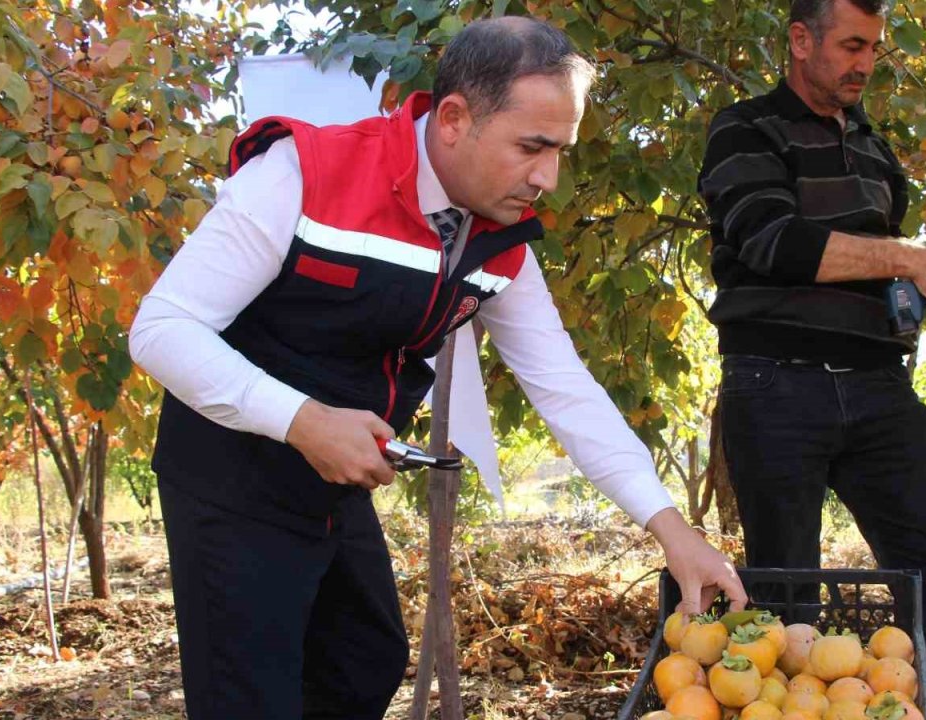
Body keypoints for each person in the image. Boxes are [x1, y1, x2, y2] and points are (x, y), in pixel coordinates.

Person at [130, 16, 745, 720]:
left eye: (560, 151)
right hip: (229, 478)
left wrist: (672, 531)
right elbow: (162, 329)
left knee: (364, 657)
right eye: (531, 147)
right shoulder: (305, 174)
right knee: (254, 696)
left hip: (330, 483)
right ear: (453, 118)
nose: (547, 177)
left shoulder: (501, 241)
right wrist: (301, 421)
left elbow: (565, 389)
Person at [697, 0, 926, 717]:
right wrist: (917, 257)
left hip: (881, 389)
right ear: (799, 39)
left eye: (874, 49)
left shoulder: (875, 147)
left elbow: (879, 280)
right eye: (852, 45)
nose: (865, 64)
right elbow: (773, 244)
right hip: (777, 386)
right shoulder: (744, 128)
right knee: (789, 599)